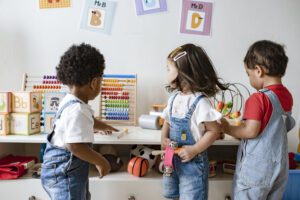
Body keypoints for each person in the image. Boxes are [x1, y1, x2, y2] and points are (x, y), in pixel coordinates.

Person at [41, 43, 118, 200]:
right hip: (65, 175)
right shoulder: (78, 110)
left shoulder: (70, 101)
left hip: (62, 171)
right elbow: (75, 146)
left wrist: (105, 126)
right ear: (94, 82)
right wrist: (102, 161)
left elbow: (89, 120)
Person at [221, 40, 295, 199]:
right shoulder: (287, 96)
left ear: (258, 70)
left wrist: (225, 127)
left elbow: (250, 131)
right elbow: (270, 128)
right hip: (280, 170)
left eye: (248, 74)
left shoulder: (258, 98)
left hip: (256, 171)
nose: (249, 78)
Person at [161, 43, 227, 200]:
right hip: (171, 161)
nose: (167, 73)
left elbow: (214, 130)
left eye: (169, 69)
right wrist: (163, 138)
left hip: (192, 165)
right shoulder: (174, 99)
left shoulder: (200, 102)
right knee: (170, 196)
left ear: (182, 71)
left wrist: (195, 149)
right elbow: (167, 122)